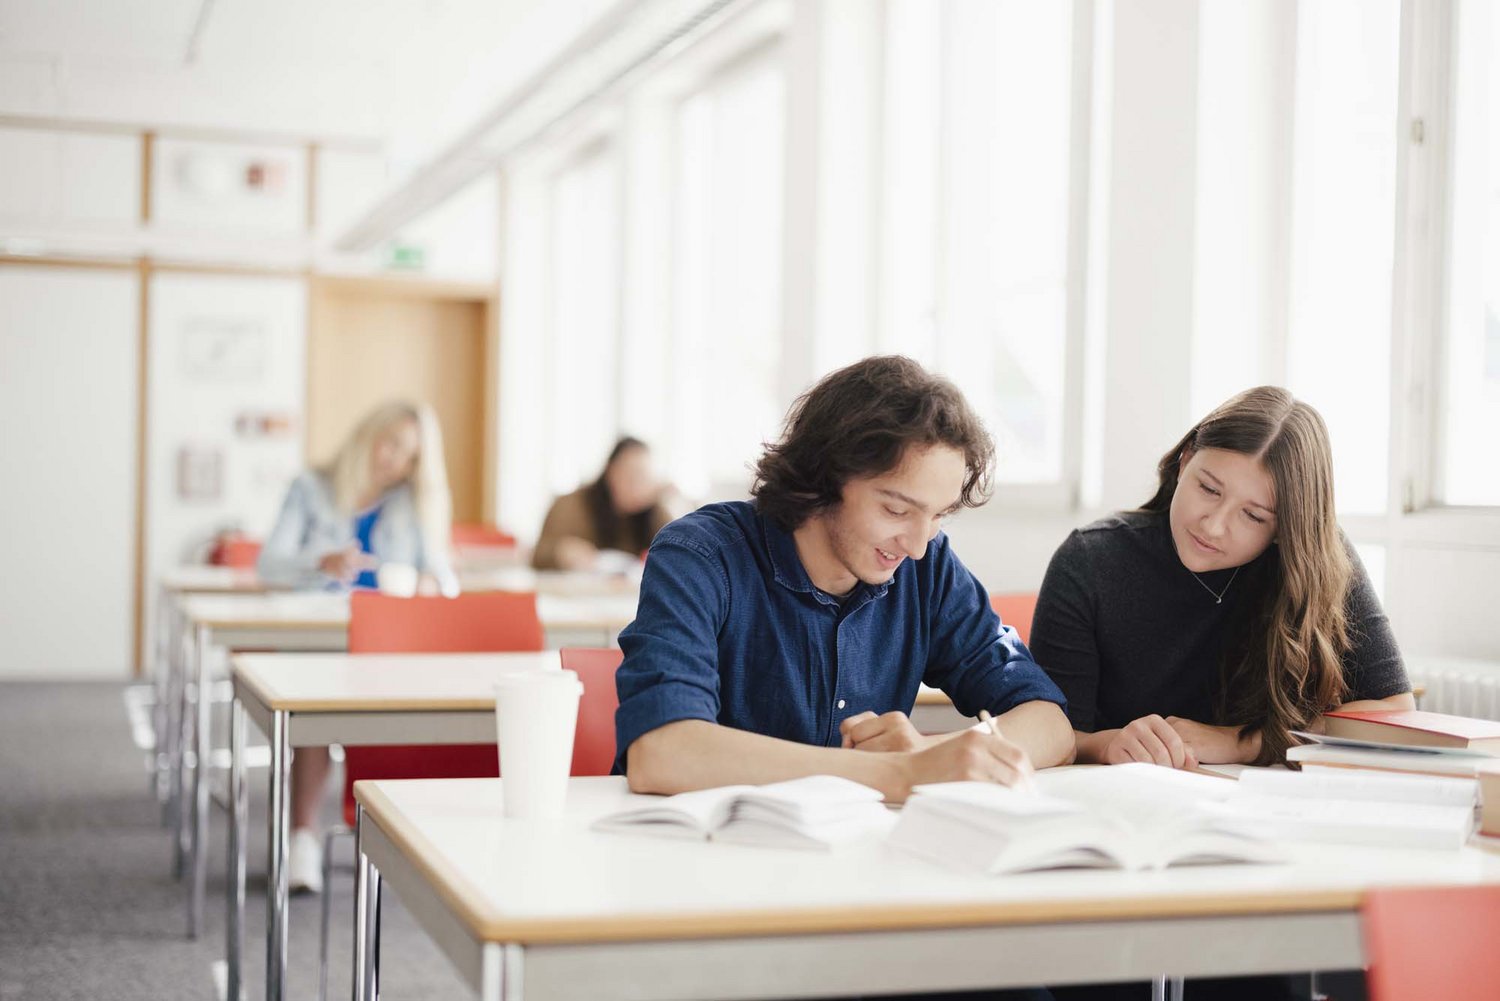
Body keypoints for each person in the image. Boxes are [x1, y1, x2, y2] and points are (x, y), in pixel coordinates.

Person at [1030, 386, 1413, 1001]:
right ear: (1184, 462)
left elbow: (1391, 714)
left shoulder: (1322, 566)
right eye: (1208, 488)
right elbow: (1048, 730)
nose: (1214, 525)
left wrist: (1240, 742)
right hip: (1112, 849)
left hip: (1256, 851)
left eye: (1254, 517)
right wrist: (1110, 744)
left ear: (1288, 528)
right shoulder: (1092, 560)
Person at [615, 355, 1075, 803]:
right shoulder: (701, 554)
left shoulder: (927, 565)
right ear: (825, 477)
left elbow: (1049, 726)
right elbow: (662, 752)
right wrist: (897, 773)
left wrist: (930, 755)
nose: (916, 545)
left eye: (938, 515)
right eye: (896, 509)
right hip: (695, 859)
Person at [257, 399, 457, 892]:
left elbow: (442, 575)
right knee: (317, 704)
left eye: (409, 456)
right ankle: (302, 837)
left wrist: (433, 581)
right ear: (367, 434)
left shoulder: (410, 503)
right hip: (318, 639)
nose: (394, 461)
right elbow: (268, 565)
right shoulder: (309, 488)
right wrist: (317, 560)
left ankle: (413, 842)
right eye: (390, 444)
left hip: (387, 643)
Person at [531, 436, 676, 571]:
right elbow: (538, 555)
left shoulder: (656, 510)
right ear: (609, 471)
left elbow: (678, 555)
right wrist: (560, 553)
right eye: (630, 475)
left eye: (645, 478)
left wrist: (674, 506)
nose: (637, 486)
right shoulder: (571, 505)